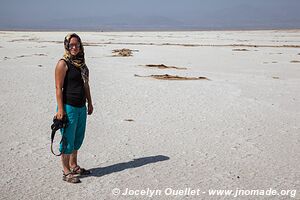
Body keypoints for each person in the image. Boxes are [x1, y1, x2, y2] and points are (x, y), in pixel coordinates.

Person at [55, 33, 93, 183]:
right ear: (66, 45)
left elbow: (86, 85)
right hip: (68, 106)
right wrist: (60, 109)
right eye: (71, 45)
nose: (74, 47)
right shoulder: (63, 63)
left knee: (78, 138)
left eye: (76, 44)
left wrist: (89, 102)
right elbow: (58, 88)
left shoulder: (82, 64)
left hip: (81, 107)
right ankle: (66, 171)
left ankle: (74, 165)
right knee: (67, 140)